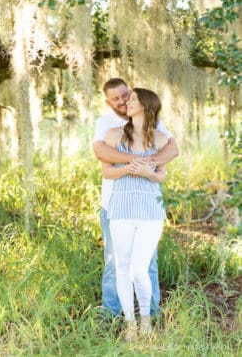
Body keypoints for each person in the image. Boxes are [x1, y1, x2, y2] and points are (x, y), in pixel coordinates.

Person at [93, 78, 179, 318]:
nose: (122, 101)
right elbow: (101, 153)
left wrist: (148, 166)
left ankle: (150, 313)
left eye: (125, 95)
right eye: (116, 99)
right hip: (113, 202)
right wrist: (133, 162)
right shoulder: (107, 125)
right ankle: (112, 312)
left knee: (146, 264)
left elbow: (172, 150)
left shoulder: (155, 124)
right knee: (115, 262)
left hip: (147, 205)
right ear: (108, 102)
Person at [102, 88, 169, 340]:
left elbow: (160, 176)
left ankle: (145, 321)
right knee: (122, 267)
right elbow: (107, 172)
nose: (126, 102)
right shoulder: (114, 135)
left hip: (151, 210)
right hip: (121, 208)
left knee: (140, 269)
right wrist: (129, 167)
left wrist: (148, 173)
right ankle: (130, 324)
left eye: (132, 99)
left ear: (147, 105)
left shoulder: (161, 140)